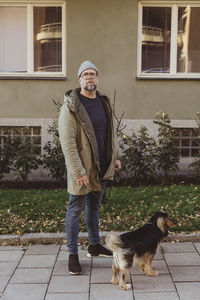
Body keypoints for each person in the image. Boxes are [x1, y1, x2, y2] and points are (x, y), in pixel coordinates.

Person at [58, 60, 121, 275]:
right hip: (82, 169)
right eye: (85, 74)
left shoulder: (104, 102)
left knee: (94, 207)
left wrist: (116, 157)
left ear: (97, 78)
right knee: (75, 209)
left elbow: (111, 133)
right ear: (79, 80)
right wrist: (78, 172)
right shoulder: (71, 106)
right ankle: (72, 255)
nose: (89, 77)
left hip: (102, 166)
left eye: (92, 73)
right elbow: (67, 143)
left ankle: (94, 246)